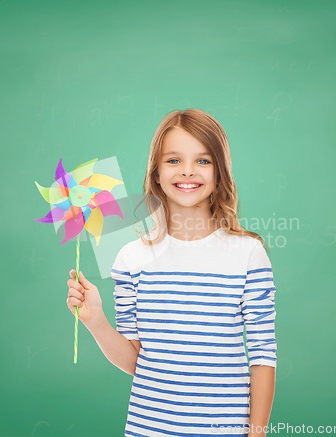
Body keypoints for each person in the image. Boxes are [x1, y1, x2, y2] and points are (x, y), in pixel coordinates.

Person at [66, 108, 278, 437]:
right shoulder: (130, 258)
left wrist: (257, 434)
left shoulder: (248, 253)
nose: (188, 171)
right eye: (174, 160)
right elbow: (137, 363)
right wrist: (95, 320)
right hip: (148, 429)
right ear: (156, 174)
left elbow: (263, 354)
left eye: (203, 161)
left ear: (220, 172)